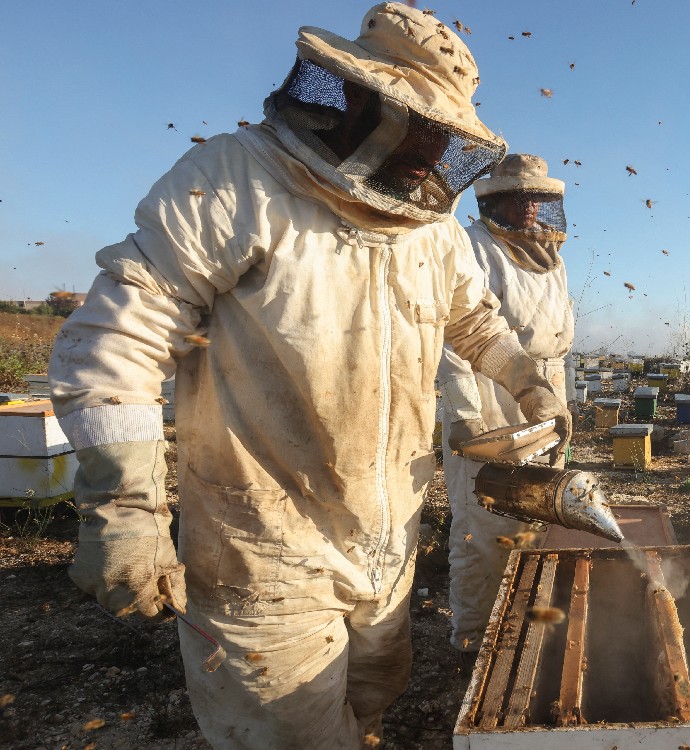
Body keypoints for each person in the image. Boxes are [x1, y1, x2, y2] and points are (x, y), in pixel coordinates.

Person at [48, 5, 571, 748]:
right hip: (260, 544)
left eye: (442, 140)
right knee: (291, 732)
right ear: (361, 101)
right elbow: (116, 338)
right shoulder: (236, 180)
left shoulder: (433, 234)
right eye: (421, 132)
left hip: (388, 535)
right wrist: (125, 505)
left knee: (374, 696)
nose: (429, 159)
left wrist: (528, 378)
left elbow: (475, 323)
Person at [438, 154, 574, 662]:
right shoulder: (474, 247)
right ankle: (472, 638)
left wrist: (556, 396)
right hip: (489, 389)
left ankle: (518, 624)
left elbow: (555, 343)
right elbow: (454, 337)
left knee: (537, 511)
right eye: (519, 196)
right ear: (494, 199)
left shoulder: (550, 258)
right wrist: (463, 412)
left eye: (537, 197)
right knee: (483, 521)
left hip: (541, 387)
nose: (531, 207)